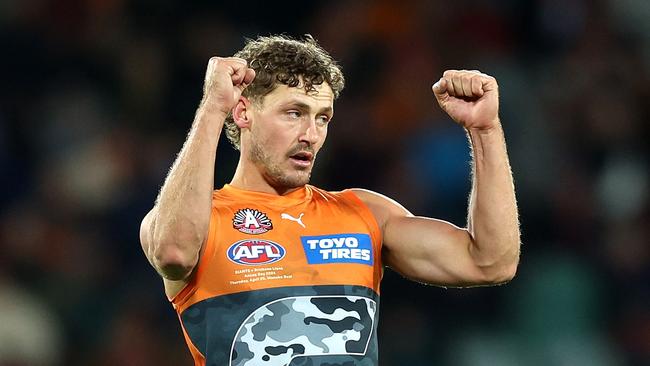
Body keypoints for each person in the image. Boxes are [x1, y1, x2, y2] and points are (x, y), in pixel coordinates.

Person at [139, 35, 520, 366]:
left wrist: (484, 129)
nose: (310, 134)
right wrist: (211, 108)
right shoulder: (202, 217)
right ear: (243, 112)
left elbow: (490, 261)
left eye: (323, 118)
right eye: (294, 113)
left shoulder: (364, 214)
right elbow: (173, 253)